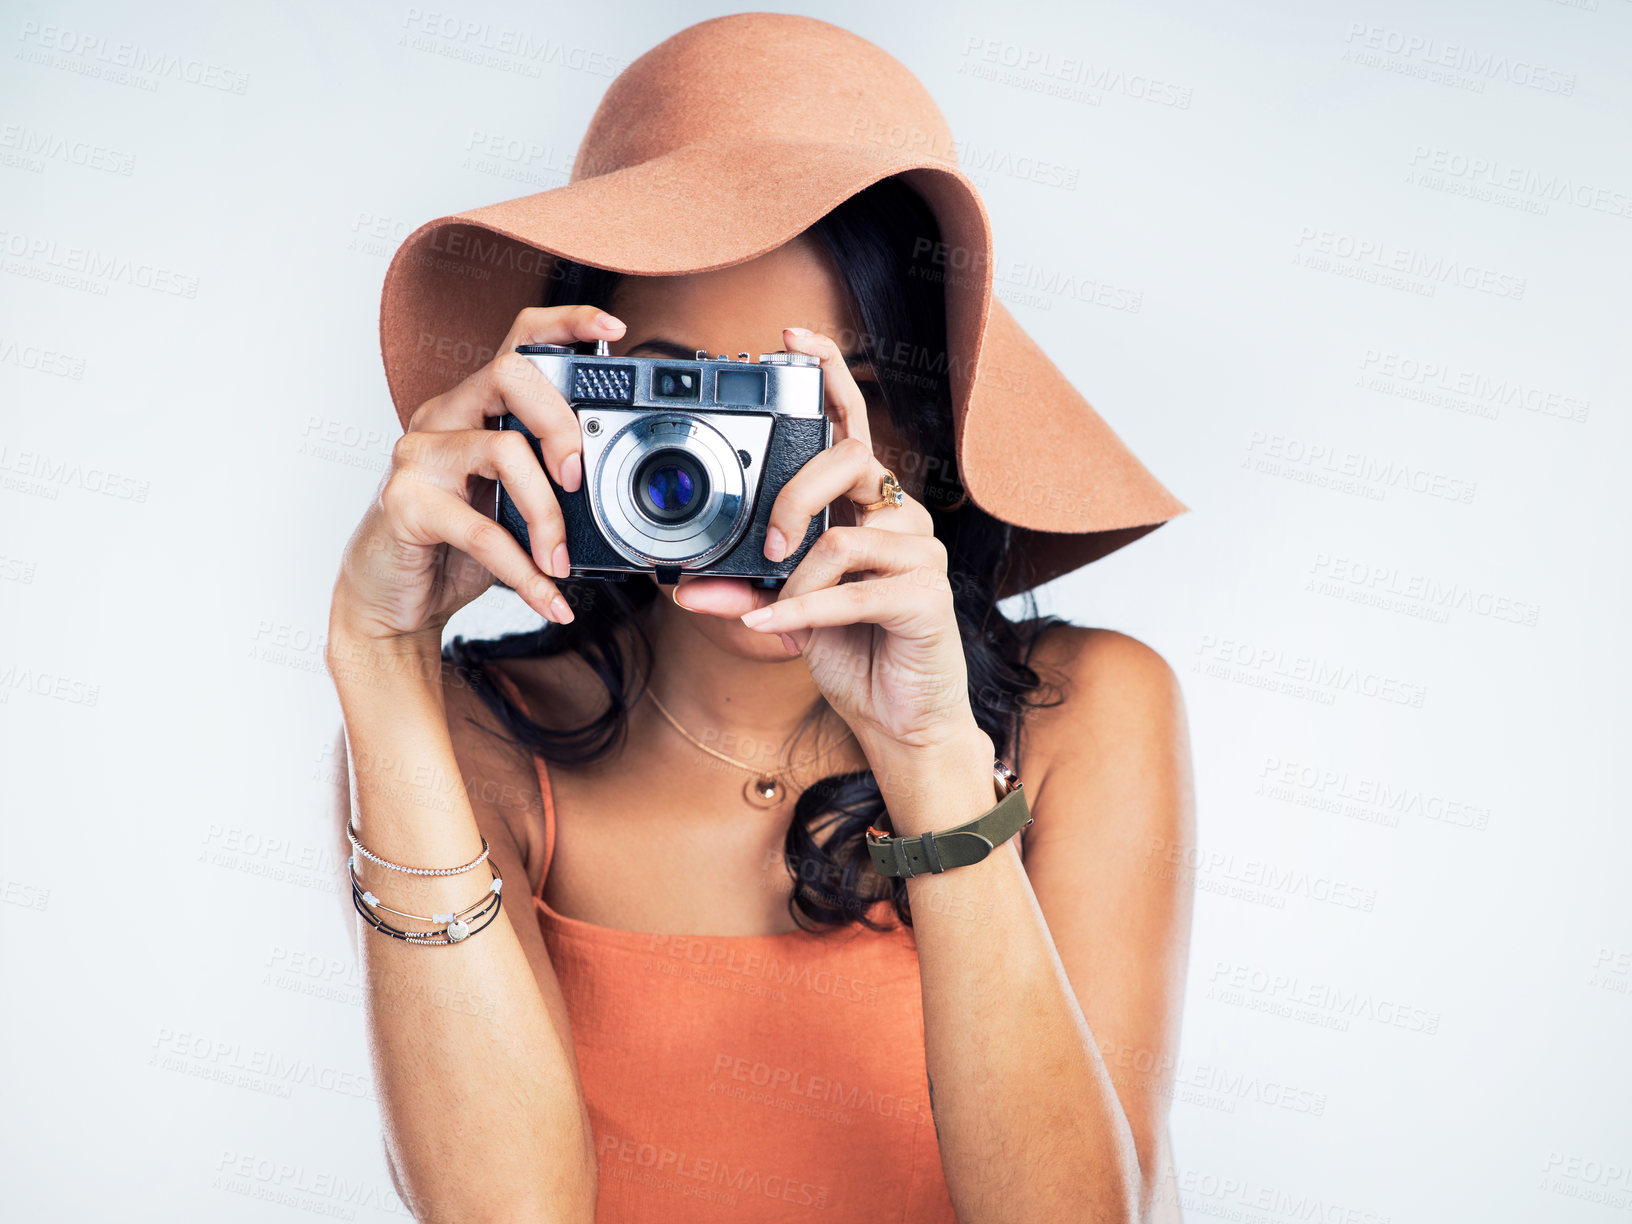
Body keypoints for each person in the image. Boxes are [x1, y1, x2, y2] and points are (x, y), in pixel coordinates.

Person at [326, 14, 1195, 1223]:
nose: (762, 478)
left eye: (827, 399)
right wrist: (379, 666)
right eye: (685, 397)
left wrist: (930, 759)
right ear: (568, 402)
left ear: (935, 435)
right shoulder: (475, 734)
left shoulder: (1088, 714)